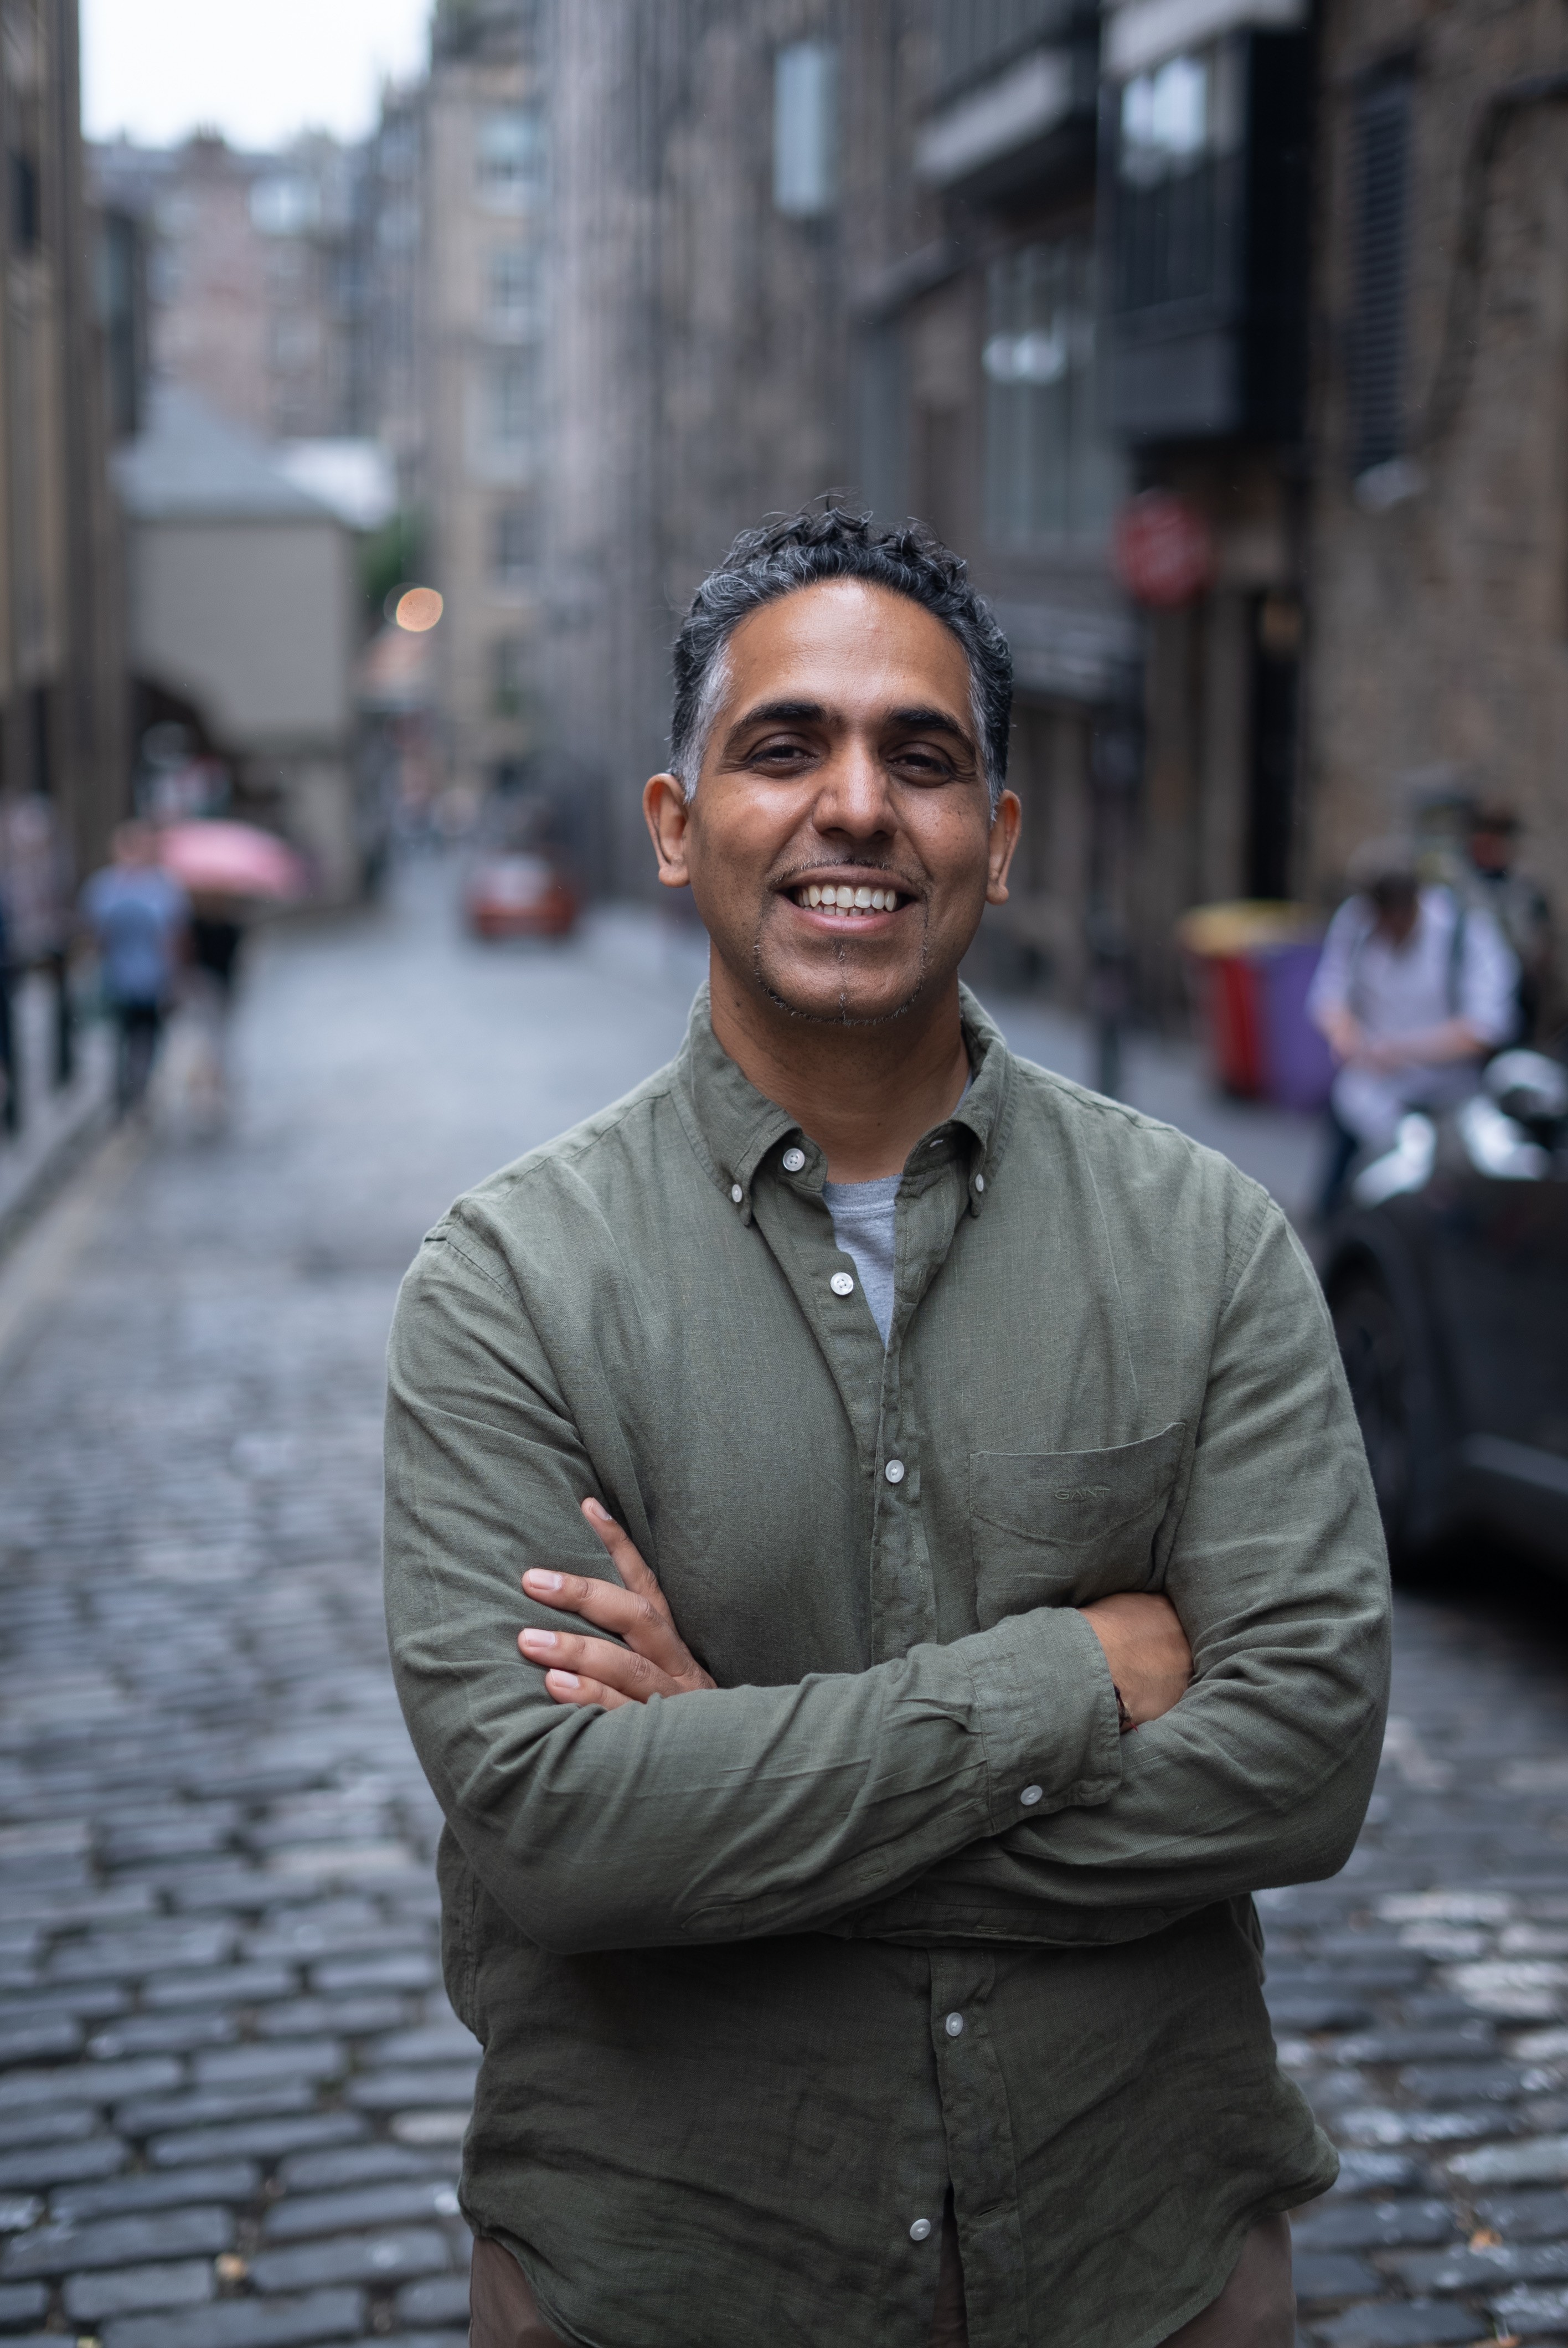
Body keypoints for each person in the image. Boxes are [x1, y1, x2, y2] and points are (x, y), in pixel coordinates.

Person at [384, 510, 1391, 2348]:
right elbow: (556, 1831)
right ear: (679, 822)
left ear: (995, 843)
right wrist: (1070, 1680)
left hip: (1142, 2267)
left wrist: (732, 1788)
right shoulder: (510, 1283)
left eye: (920, 759)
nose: (855, 805)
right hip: (669, 2280)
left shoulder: (1207, 1245)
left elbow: (1307, 1759)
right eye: (786, 746)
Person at [1308, 837, 1518, 1218]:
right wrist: (1345, 1034)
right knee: (1340, 1207)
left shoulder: (1466, 932)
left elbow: (1486, 1029)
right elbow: (1329, 996)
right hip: (1371, 1098)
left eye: (1397, 920)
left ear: (1415, 903)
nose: (1388, 931)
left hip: (1447, 1101)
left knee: (1435, 1211)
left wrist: (1402, 1051)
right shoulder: (1356, 924)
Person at [80, 821, 189, 1114]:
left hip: (153, 978)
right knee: (119, 1035)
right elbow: (94, 936)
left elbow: (175, 937)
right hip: (116, 977)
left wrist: (175, 978)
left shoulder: (163, 887)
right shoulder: (102, 887)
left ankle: (140, 1088)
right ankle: (124, 1094)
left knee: (149, 1034)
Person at [1465, 806, 1554, 1043]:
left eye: (1498, 836)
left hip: (1521, 992)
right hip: (1472, 990)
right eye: (1485, 834)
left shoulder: (1527, 887)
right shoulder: (1458, 886)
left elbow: (1543, 940)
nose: (1490, 843)